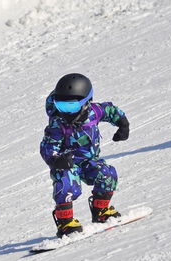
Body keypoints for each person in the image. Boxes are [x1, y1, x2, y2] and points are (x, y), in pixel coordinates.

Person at [40, 73, 130, 238]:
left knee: (108, 174)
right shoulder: (57, 123)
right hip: (67, 164)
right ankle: (66, 223)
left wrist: (123, 124)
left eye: (72, 107)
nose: (66, 113)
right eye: (62, 107)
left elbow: (111, 111)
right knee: (67, 185)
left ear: (86, 102)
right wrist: (56, 159)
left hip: (89, 161)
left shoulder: (94, 112)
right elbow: (48, 146)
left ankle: (101, 210)